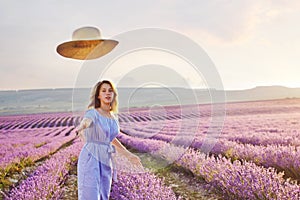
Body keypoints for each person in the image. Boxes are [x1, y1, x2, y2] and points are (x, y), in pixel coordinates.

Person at [75, 80, 142, 200]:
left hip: (106, 158)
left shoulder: (113, 117)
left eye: (110, 91)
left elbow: (111, 139)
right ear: (98, 95)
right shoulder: (93, 113)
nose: (107, 93)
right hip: (91, 157)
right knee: (90, 194)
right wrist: (81, 127)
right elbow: (87, 121)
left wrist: (129, 155)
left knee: (103, 195)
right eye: (104, 91)